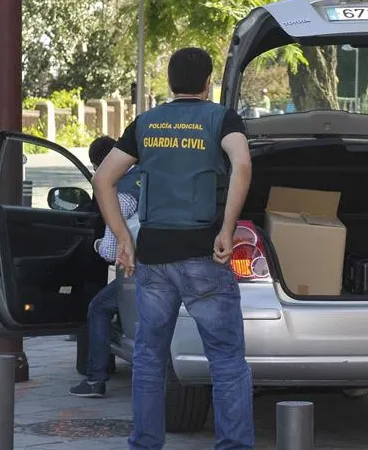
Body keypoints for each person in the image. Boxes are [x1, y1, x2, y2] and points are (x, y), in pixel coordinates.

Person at [93, 47, 254, 450]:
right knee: (227, 361)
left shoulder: (145, 123)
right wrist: (228, 229)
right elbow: (243, 165)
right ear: (208, 82)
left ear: (169, 82)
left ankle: (145, 444)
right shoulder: (222, 119)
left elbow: (103, 180)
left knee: (149, 357)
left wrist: (123, 238)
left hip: (154, 257)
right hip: (204, 254)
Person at [69, 136, 141, 398]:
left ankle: (95, 379)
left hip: (140, 269)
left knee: (98, 308)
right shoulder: (149, 174)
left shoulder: (120, 191)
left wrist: (98, 244)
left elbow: (112, 251)